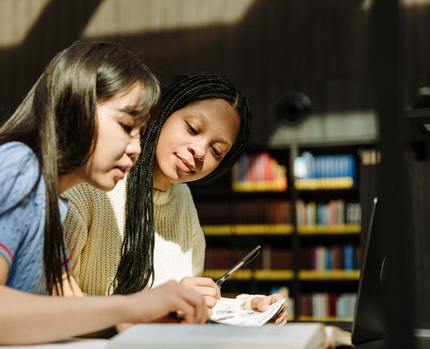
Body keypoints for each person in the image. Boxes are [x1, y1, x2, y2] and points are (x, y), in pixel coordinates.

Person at [0, 40, 209, 349]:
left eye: (140, 133)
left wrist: (135, 318)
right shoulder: (15, 166)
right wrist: (130, 306)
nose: (136, 148)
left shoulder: (53, 201)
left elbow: (56, 312)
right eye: (126, 126)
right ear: (76, 106)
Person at [63, 72, 288, 324]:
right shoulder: (92, 184)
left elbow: (180, 303)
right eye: (192, 129)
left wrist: (249, 307)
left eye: (216, 150)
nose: (200, 150)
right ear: (162, 111)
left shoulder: (182, 197)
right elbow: (52, 303)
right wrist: (154, 309)